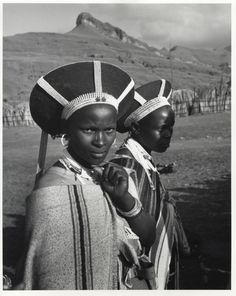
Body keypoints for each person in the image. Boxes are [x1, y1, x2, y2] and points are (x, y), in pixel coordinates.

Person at [15, 61, 156, 290]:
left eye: (109, 130)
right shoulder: (52, 190)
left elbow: (148, 238)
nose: (101, 142)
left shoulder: (116, 176)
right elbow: (53, 276)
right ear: (67, 132)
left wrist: (125, 200)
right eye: (89, 130)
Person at [111, 79, 191, 289]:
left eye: (171, 127)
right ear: (136, 128)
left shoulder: (142, 160)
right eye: (162, 128)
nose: (169, 134)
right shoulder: (125, 166)